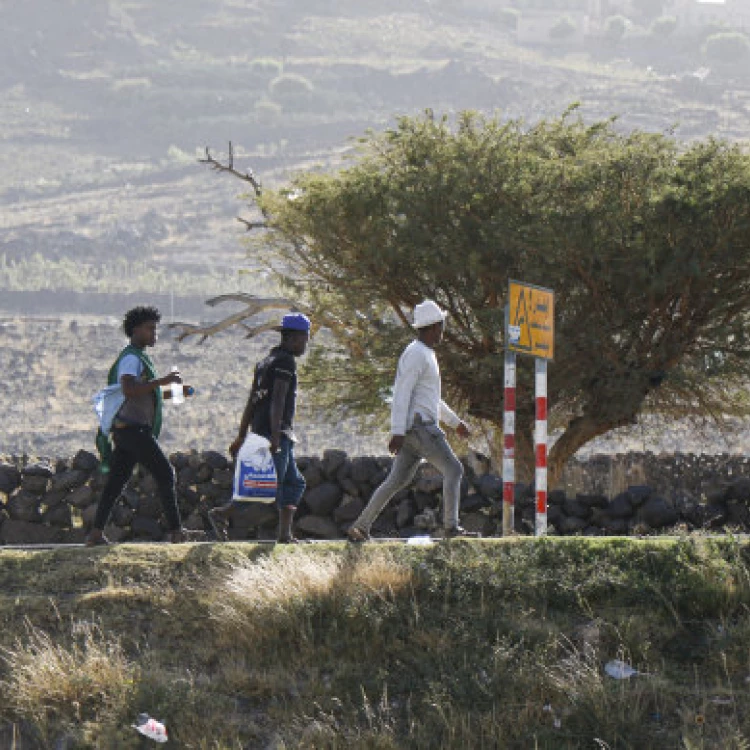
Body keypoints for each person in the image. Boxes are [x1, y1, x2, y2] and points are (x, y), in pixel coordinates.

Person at [347, 300, 477, 542]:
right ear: (433, 326)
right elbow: (401, 393)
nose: (442, 330)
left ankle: (361, 527)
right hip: (421, 428)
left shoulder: (424, 354)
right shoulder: (417, 353)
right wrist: (396, 431)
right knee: (454, 469)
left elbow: (431, 400)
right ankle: (451, 528)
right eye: (441, 325)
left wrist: (455, 422)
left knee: (396, 480)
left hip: (414, 430)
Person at [87, 306, 190, 546]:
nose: (155, 334)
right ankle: (176, 532)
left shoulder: (139, 357)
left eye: (155, 328)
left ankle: (95, 534)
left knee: (116, 482)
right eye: (150, 328)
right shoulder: (132, 358)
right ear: (135, 330)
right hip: (134, 431)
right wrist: (164, 380)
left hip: (126, 432)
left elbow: (145, 394)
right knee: (165, 473)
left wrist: (174, 392)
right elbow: (129, 390)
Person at [213, 313, 310, 543]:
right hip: (276, 434)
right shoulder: (286, 362)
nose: (305, 344)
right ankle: (222, 514)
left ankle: (285, 534)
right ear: (295, 338)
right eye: (305, 339)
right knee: (262, 486)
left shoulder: (265, 362)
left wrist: (241, 436)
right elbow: (277, 400)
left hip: (263, 432)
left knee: (294, 483)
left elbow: (252, 402)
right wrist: (275, 438)